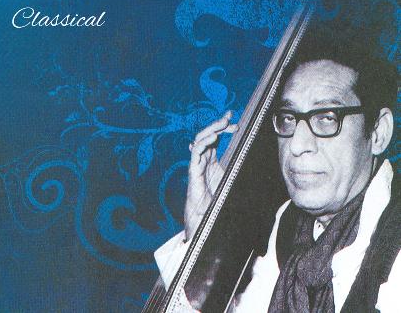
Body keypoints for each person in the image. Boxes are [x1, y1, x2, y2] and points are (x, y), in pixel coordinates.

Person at [155, 36, 400, 312]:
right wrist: (202, 234)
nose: (296, 144)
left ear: (378, 133)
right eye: (288, 118)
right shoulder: (290, 224)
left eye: (327, 117)